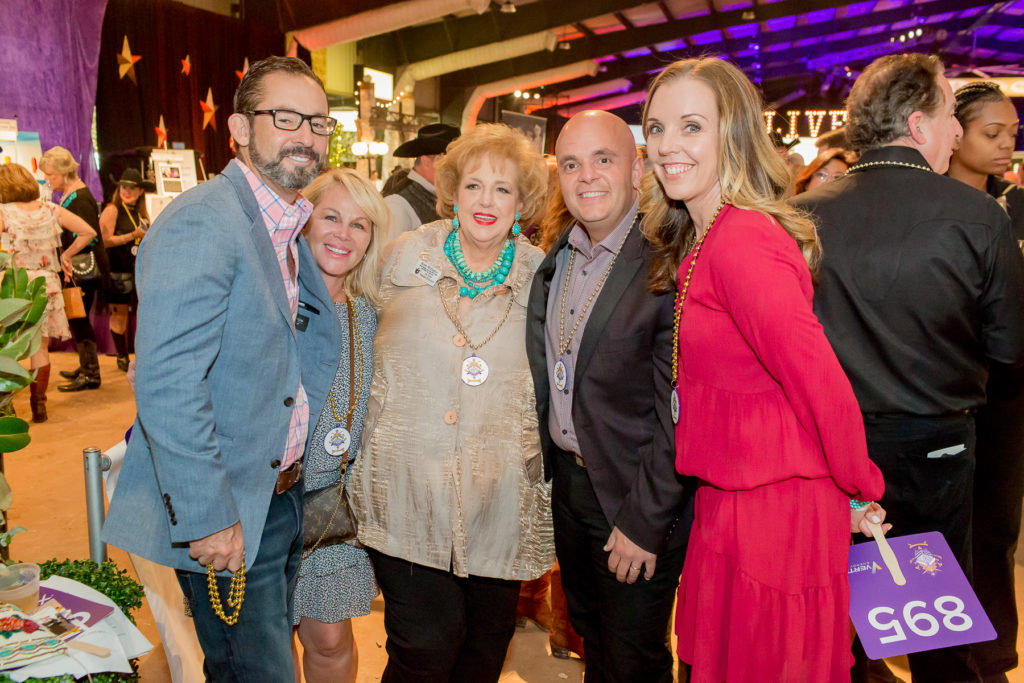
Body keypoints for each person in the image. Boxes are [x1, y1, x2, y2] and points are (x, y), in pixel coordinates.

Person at [642, 57, 887, 682]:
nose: (669, 146)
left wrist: (858, 486)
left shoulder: (745, 240)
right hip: (730, 503)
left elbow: (817, 377)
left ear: (734, 135)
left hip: (774, 517)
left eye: (691, 126)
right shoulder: (705, 239)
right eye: (657, 127)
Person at [103, 56, 337, 680]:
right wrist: (209, 518)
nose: (305, 136)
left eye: (318, 122)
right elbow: (168, 384)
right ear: (238, 126)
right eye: (284, 117)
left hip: (279, 498)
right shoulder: (207, 219)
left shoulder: (283, 222)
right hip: (227, 513)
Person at [792, 54, 1024, 683]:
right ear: (919, 125)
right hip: (937, 449)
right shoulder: (979, 216)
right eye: (952, 117)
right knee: (933, 628)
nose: (956, 132)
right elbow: (1008, 351)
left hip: (830, 451)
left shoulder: (801, 216)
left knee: (846, 620)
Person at [347, 123, 553, 683]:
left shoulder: (543, 277)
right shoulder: (398, 258)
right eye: (474, 186)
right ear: (453, 191)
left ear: (522, 202)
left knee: (484, 652)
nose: (486, 200)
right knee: (424, 649)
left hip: (499, 499)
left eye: (503, 189)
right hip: (407, 494)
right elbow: (349, 340)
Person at [524, 110, 692, 683]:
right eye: (571, 164)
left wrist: (646, 521)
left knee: (633, 660)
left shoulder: (666, 263)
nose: (587, 176)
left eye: (604, 159)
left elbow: (681, 410)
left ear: (638, 169)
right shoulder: (557, 258)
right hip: (571, 488)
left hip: (635, 494)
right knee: (593, 639)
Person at [292, 168, 386, 683]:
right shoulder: (270, 298)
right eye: (330, 216)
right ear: (304, 220)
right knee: (264, 641)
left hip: (332, 506)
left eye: (359, 224)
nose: (342, 235)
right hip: (260, 504)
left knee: (328, 638)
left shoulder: (372, 314)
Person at [948, 80, 1024, 683]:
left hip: (1007, 394)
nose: (1005, 147)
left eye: (1012, 135)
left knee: (996, 528)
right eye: (991, 134)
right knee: (940, 532)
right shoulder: (931, 208)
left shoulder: (1015, 206)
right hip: (943, 394)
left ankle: (994, 655)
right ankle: (943, 652)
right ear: (954, 134)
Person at [0, 163, 97, 422]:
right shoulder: (50, 209)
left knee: (6, 348)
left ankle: (5, 403)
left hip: (15, 285)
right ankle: (38, 406)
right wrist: (65, 255)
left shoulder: (4, 212)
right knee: (39, 348)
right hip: (47, 285)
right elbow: (89, 231)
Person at [39, 146, 111, 392]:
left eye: (51, 175)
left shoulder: (79, 198)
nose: (48, 180)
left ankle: (91, 373)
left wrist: (66, 255)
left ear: (64, 172)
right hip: (80, 269)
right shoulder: (72, 194)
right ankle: (85, 366)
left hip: (83, 269)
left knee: (80, 319)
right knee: (77, 317)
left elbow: (89, 236)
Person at [100, 168, 152, 371]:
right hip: (117, 270)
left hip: (138, 271)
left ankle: (139, 355)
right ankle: (121, 356)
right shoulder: (112, 209)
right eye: (124, 187)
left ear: (140, 191)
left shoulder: (140, 212)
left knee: (142, 313)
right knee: (119, 313)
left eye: (132, 188)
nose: (127, 191)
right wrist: (132, 235)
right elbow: (104, 240)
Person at [382, 123, 460, 241]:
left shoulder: (447, 195)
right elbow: (387, 256)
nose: (456, 169)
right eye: (450, 162)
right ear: (427, 161)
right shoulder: (397, 204)